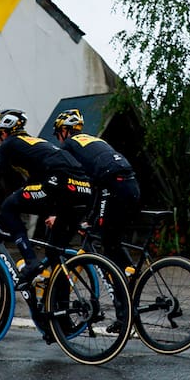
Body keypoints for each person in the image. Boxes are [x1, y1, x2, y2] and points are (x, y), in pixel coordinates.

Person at [0, 109, 93, 336]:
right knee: (56, 255)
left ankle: (30, 260)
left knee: (8, 207)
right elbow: (34, 186)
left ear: (4, 133)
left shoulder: (9, 145)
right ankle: (61, 320)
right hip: (82, 187)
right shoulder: (35, 145)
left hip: (59, 182)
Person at [51, 109, 141, 273]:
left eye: (58, 134)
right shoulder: (96, 141)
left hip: (112, 184)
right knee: (113, 240)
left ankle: (121, 287)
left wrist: (58, 214)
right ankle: (132, 276)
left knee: (103, 237)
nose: (58, 139)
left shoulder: (69, 145)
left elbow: (68, 183)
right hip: (131, 184)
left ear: (64, 131)